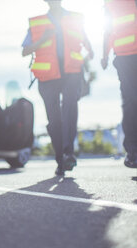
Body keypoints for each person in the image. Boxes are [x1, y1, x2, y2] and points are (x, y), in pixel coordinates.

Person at [22, 0, 93, 175]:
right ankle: (60, 159)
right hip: (47, 77)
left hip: (71, 74)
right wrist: (43, 40)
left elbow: (89, 48)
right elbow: (25, 51)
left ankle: (68, 153)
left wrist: (85, 62)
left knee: (70, 108)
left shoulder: (75, 19)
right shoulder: (37, 23)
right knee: (54, 120)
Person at [101, 0, 137, 168]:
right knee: (131, 103)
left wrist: (105, 56)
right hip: (125, 57)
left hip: (125, 57)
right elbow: (108, 29)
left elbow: (107, 31)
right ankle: (133, 151)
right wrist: (105, 55)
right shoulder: (112, 4)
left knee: (131, 102)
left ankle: (133, 152)